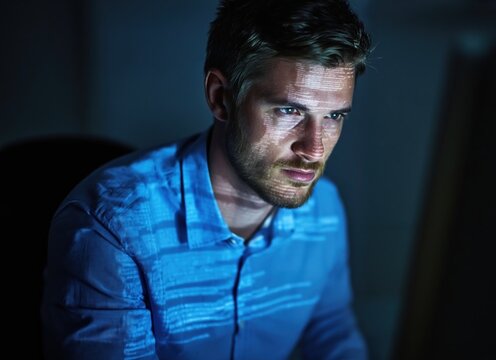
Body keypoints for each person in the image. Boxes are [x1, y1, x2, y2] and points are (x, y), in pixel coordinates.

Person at [41, 0, 372, 359]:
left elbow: (332, 332)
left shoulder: (325, 208)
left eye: (334, 116)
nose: (314, 148)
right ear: (221, 98)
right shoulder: (113, 227)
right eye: (289, 110)